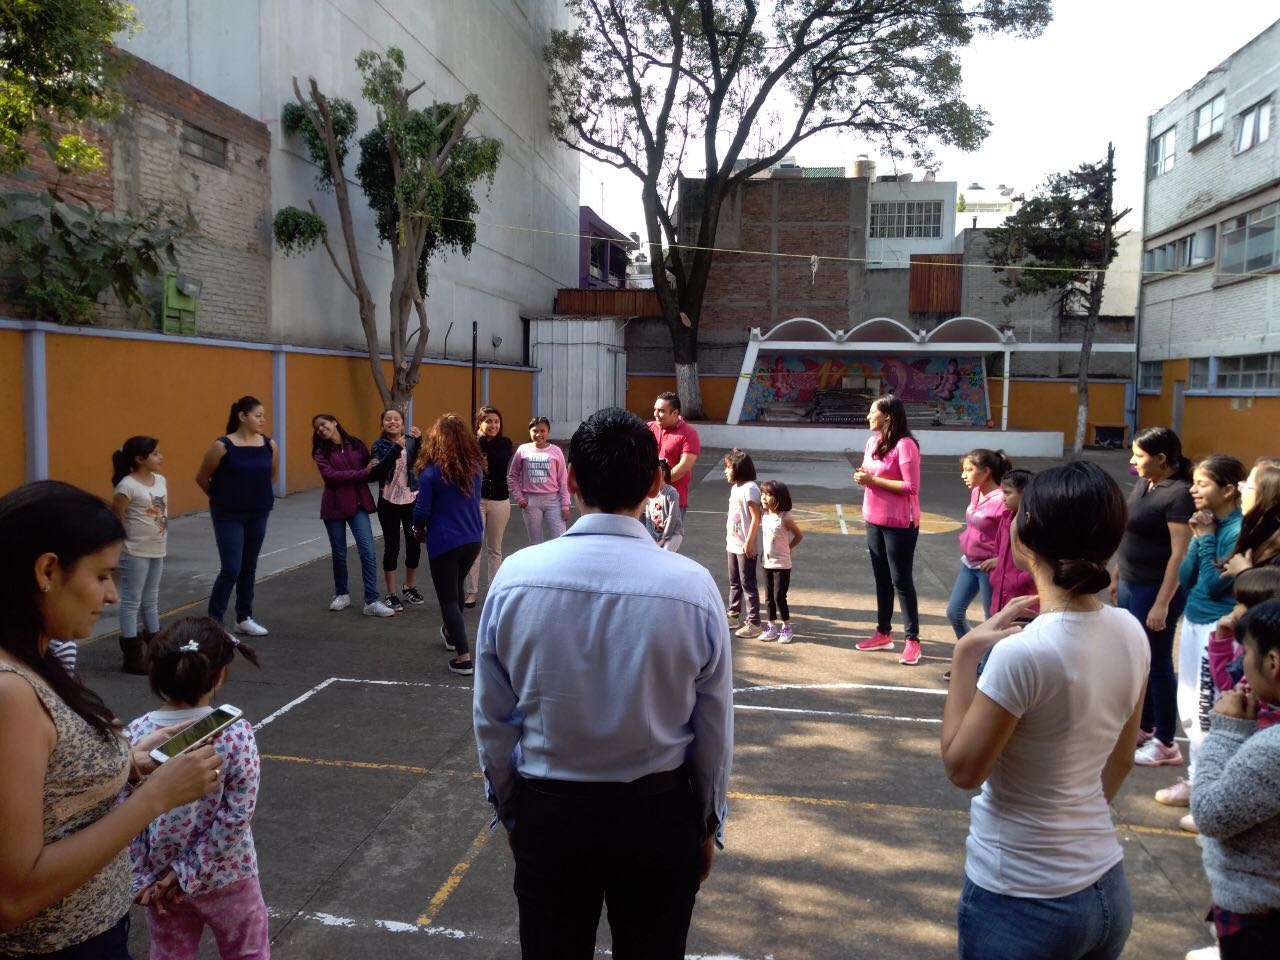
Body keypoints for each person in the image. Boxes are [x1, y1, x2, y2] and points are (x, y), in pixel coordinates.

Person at [473, 406, 733, 960]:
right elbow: (713, 727)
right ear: (656, 483)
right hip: (658, 816)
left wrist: (514, 809)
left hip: (551, 814)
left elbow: (492, 719)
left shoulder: (516, 578)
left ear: (570, 479)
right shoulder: (692, 586)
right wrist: (707, 821)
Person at [0, 481, 221, 958]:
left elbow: (52, 786)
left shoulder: (38, 657)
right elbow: (13, 896)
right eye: (101, 576)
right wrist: (156, 798)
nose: (112, 595)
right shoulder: (10, 693)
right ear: (47, 570)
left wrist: (130, 763)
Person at [941, 461, 1149, 960]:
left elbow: (963, 769)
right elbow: (1120, 761)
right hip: (1105, 889)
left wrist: (965, 654)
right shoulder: (1130, 630)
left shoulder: (1024, 653)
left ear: (1025, 530)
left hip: (1022, 900)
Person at [125, 617, 267, 960]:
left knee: (170, 954)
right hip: (229, 873)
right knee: (247, 952)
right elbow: (237, 814)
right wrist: (188, 870)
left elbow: (123, 812)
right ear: (218, 676)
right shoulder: (235, 734)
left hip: (160, 879)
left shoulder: (136, 736)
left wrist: (140, 876)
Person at [1190, 598, 1280, 958]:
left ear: (1272, 662)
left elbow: (1210, 814)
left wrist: (1226, 730)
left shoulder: (1273, 749)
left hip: (1260, 918)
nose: (1241, 663)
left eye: (1245, 653)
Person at [1157, 455, 1245, 815]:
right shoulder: (1209, 523)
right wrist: (1199, 537)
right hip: (1194, 622)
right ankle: (1197, 780)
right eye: (1193, 482)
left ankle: (1209, 787)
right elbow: (1188, 576)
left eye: (1202, 483)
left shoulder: (1237, 530)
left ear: (1228, 490)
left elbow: (1211, 584)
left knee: (1208, 708)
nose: (1193, 489)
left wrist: (1206, 539)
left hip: (1217, 628)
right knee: (1191, 705)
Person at [1110, 426, 1195, 768]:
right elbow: (1131, 532)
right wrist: (1117, 573)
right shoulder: (1146, 483)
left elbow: (1180, 554)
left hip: (1155, 589)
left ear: (1162, 458)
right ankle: (1143, 726)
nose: (1132, 461)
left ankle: (1166, 741)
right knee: (1138, 659)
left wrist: (1162, 602)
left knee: (1157, 662)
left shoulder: (1179, 494)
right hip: (1132, 582)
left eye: (1139, 456)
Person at [195, 397, 278, 637]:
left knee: (249, 566)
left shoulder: (269, 444)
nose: (263, 420)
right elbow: (202, 478)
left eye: (263, 416)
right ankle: (213, 623)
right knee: (231, 567)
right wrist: (223, 499)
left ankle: (244, 618)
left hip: (258, 512)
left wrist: (255, 497)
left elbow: (271, 477)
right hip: (228, 515)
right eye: (258, 415)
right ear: (242, 416)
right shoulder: (222, 446)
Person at [853, 395, 922, 665]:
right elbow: (870, 471)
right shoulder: (873, 441)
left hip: (900, 523)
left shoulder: (905, 445)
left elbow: (911, 487)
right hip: (873, 518)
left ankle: (913, 640)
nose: (868, 417)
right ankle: (883, 633)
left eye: (873, 412)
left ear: (888, 416)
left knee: (901, 580)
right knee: (881, 579)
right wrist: (863, 476)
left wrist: (872, 480)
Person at [413, 414, 484, 676]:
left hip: (444, 540)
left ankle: (464, 657)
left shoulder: (431, 472)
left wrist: (417, 529)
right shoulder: (475, 467)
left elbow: (421, 512)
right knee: (457, 587)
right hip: (473, 538)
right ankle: (452, 635)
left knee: (448, 599)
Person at [312, 414, 394, 618]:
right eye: (317, 428)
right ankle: (342, 594)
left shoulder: (356, 444)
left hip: (358, 504)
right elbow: (332, 477)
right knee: (339, 552)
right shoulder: (320, 452)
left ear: (334, 422)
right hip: (334, 506)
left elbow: (371, 470)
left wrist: (384, 462)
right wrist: (363, 473)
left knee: (368, 551)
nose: (321, 429)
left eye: (323, 424)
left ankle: (371, 601)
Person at [111, 435, 169, 675]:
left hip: (157, 547)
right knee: (131, 601)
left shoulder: (161, 480)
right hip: (135, 551)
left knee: (151, 599)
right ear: (139, 458)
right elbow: (117, 517)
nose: (160, 457)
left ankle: (157, 649)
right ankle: (132, 656)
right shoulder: (127, 486)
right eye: (155, 453)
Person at [946, 449, 1012, 642]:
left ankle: (988, 660)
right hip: (969, 563)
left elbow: (1014, 535)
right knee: (954, 612)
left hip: (989, 569)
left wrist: (1001, 559)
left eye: (969, 470)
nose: (963, 475)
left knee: (991, 621)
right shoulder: (976, 492)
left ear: (986, 472)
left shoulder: (1001, 500)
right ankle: (971, 654)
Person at [368, 408, 425, 611]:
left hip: (412, 499)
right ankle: (391, 594)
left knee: (414, 544)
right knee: (392, 546)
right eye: (388, 419)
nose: (392, 422)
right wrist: (395, 450)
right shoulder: (378, 445)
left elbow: (423, 463)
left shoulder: (411, 441)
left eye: (396, 419)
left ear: (402, 422)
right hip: (388, 501)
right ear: (382, 424)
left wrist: (419, 441)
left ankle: (409, 586)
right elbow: (377, 472)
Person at [465, 406, 514, 608]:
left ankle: (494, 591)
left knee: (495, 549)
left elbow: (497, 461)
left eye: (496, 421)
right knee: (474, 547)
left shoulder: (505, 443)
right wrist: (477, 441)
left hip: (500, 501)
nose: (493, 425)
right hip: (476, 500)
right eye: (488, 421)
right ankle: (471, 591)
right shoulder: (471, 443)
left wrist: (482, 442)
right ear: (479, 424)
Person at [507, 417, 570, 545]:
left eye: (542, 431)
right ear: (529, 431)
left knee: (560, 540)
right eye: (535, 431)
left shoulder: (556, 451)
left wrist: (565, 505)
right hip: (530, 502)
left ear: (548, 432)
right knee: (535, 543)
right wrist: (519, 498)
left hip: (553, 501)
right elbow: (512, 476)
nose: (538, 434)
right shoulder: (522, 450)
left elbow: (563, 479)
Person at [724, 448, 763, 639]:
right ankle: (733, 616)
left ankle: (754, 623)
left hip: (745, 546)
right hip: (733, 543)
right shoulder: (736, 488)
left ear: (738, 468)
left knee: (748, 583)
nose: (725, 471)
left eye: (728, 467)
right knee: (734, 582)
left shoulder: (750, 488)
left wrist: (750, 543)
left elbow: (756, 518)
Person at [759, 480, 803, 644]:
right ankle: (771, 626)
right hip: (767, 563)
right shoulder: (765, 515)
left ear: (780, 497)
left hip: (782, 565)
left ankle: (786, 627)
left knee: (779, 597)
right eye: (763, 494)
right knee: (768, 597)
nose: (764, 498)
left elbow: (799, 536)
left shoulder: (785, 518)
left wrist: (789, 548)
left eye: (769, 494)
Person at [988, 468, 1036, 615]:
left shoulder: (1033, 525)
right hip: (1001, 597)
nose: (1003, 498)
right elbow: (997, 550)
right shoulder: (1005, 519)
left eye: (1007, 493)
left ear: (1025, 494)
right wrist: (997, 572)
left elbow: (1039, 561)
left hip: (1025, 602)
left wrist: (1019, 579)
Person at [1223, 458, 1280, 576]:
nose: (1241, 490)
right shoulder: (1260, 532)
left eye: (1248, 486)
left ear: (1268, 495)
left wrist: (1244, 573)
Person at [650, 392, 701, 516]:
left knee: (668, 530)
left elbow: (683, 467)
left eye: (661, 411)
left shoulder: (688, 433)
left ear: (675, 413)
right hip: (646, 498)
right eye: (655, 409)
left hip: (671, 499)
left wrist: (658, 484)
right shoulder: (647, 429)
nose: (656, 414)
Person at [646, 459, 684, 552]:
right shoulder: (650, 494)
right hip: (656, 536)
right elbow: (648, 519)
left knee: (666, 553)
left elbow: (672, 517)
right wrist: (652, 539)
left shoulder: (671, 492)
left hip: (673, 534)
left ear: (662, 474)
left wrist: (664, 539)